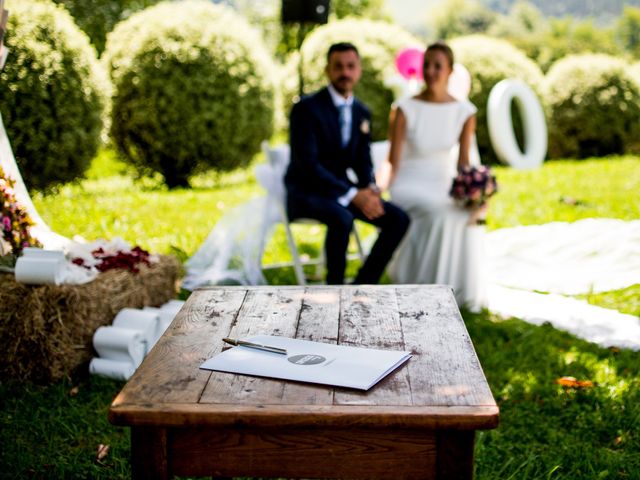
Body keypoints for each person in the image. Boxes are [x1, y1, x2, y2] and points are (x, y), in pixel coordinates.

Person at [285, 42, 410, 285]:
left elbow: (362, 159)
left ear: (359, 70)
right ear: (327, 71)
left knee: (398, 219)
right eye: (338, 67)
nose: (345, 72)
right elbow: (307, 165)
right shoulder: (306, 109)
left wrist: (371, 189)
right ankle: (335, 289)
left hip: (343, 191)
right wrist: (353, 194)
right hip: (305, 191)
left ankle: (363, 285)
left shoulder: (361, 111)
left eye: (350, 66)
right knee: (342, 217)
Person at [385, 41, 487, 308]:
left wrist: (476, 192)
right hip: (409, 180)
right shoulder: (404, 108)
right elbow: (392, 161)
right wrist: (380, 187)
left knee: (459, 210)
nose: (430, 71)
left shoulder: (465, 111)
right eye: (426, 65)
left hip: (443, 181)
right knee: (438, 210)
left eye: (437, 66)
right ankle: (419, 287)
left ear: (450, 71)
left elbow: (463, 163)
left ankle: (453, 289)